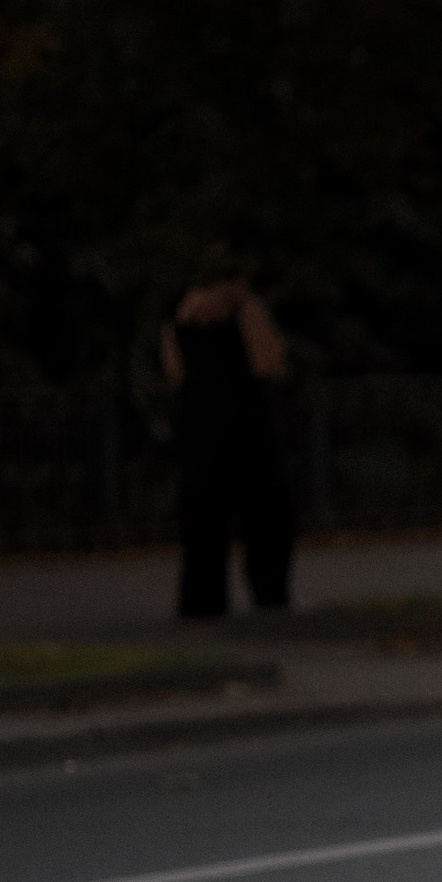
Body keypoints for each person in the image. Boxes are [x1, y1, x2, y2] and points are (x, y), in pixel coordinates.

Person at [161, 251, 295, 618]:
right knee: (267, 512)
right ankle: (270, 594)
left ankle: (202, 601)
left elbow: (175, 369)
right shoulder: (243, 310)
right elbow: (266, 361)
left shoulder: (180, 314)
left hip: (199, 423)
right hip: (247, 424)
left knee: (203, 515)